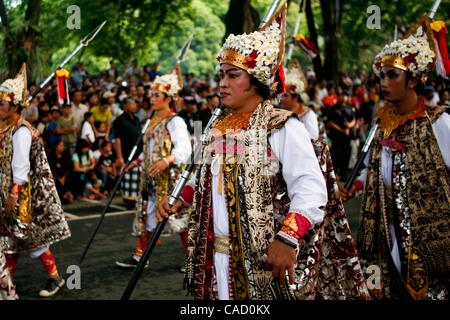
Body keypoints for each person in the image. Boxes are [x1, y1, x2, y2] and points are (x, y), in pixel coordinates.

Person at [157, 6, 329, 300]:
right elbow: (205, 177)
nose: (222, 82)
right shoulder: (216, 127)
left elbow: (311, 188)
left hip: (262, 262)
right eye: (221, 74)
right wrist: (179, 198)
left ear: (257, 79)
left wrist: (287, 238)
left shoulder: (282, 127)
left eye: (233, 75)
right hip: (213, 260)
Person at [341, 17, 450, 300]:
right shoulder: (381, 125)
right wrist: (355, 186)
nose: (384, 82)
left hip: (431, 237)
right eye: (382, 76)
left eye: (393, 75)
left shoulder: (438, 123)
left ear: (413, 79)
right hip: (386, 230)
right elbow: (372, 171)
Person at [0, 64, 71, 298]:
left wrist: (13, 195)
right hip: (6, 192)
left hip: (22, 195)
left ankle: (55, 278)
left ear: (14, 106)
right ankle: (7, 285)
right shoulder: (5, 127)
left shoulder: (21, 131)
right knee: (9, 239)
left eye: (2, 103)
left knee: (25, 237)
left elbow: (20, 166)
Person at [116, 68, 192, 269]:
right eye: (151, 95)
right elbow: (148, 151)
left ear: (168, 98)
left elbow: (185, 149)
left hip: (169, 180)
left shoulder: (175, 121)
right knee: (147, 215)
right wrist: (135, 162)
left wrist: (167, 160)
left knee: (180, 221)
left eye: (156, 95)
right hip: (150, 179)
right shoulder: (152, 122)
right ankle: (140, 256)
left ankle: (194, 260)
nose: (152, 98)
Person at [112, 97, 142, 209]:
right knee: (128, 178)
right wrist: (119, 156)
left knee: (137, 179)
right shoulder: (119, 120)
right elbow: (117, 139)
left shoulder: (136, 119)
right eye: (132, 103)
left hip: (138, 153)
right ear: (125, 106)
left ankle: (136, 200)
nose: (134, 106)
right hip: (126, 153)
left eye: (135, 103)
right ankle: (129, 201)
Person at [279, 61, 319, 140]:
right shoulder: (279, 112)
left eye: (285, 96)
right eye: (281, 95)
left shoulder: (307, 115)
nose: (281, 99)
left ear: (296, 97)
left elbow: (313, 138)